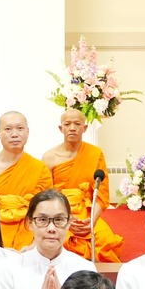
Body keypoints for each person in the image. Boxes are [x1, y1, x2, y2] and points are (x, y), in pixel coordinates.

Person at [41, 108, 122, 263]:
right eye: (67, 124)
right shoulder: (49, 157)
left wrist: (91, 221)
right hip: (59, 214)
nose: (72, 128)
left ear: (84, 128)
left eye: (77, 123)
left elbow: (102, 194)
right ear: (61, 128)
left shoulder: (95, 154)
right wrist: (64, 218)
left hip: (87, 214)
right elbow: (45, 197)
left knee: (103, 240)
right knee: (60, 242)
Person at [0, 111, 50, 250]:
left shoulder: (39, 168)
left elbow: (47, 211)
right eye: (8, 129)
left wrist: (35, 246)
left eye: (20, 128)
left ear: (27, 132)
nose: (14, 134)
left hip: (31, 236)